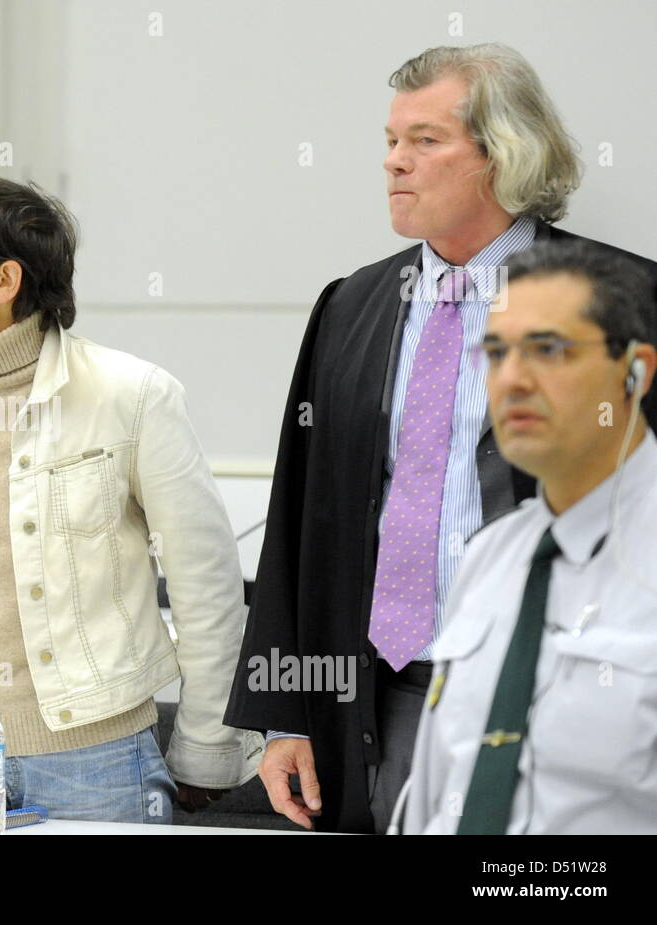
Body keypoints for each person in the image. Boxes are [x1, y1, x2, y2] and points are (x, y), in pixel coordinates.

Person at [225, 44, 657, 832]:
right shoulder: (349, 306)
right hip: (374, 698)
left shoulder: (624, 301)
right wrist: (282, 713)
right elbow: (299, 515)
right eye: (390, 142)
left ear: (504, 153)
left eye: (425, 142)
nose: (394, 163)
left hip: (565, 691)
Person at [0, 176, 261, 823]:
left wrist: (205, 744)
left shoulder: (131, 395)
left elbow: (208, 585)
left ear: (6, 280)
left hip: (96, 757)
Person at [404, 241, 657, 834]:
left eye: (548, 350)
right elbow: (436, 792)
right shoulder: (493, 555)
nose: (512, 380)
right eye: (495, 352)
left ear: (636, 370)